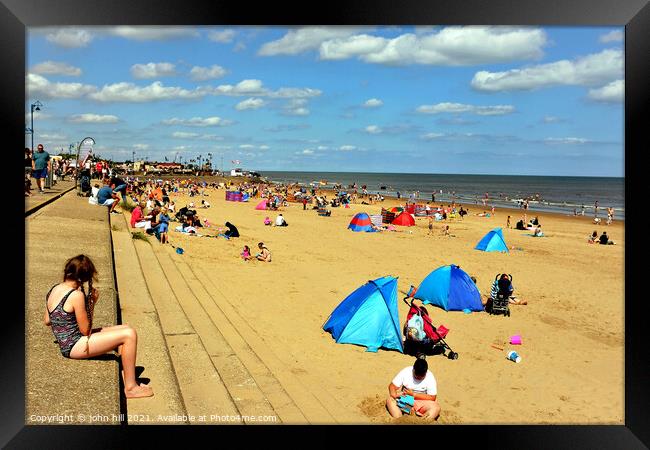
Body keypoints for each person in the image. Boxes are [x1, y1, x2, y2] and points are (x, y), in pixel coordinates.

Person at [44, 255, 153, 398]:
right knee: (129, 334)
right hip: (74, 346)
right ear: (83, 279)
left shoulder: (54, 288)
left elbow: (47, 320)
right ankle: (131, 388)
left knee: (124, 328)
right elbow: (85, 331)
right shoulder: (76, 295)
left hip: (69, 343)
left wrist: (64, 325)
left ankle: (127, 375)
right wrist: (92, 304)